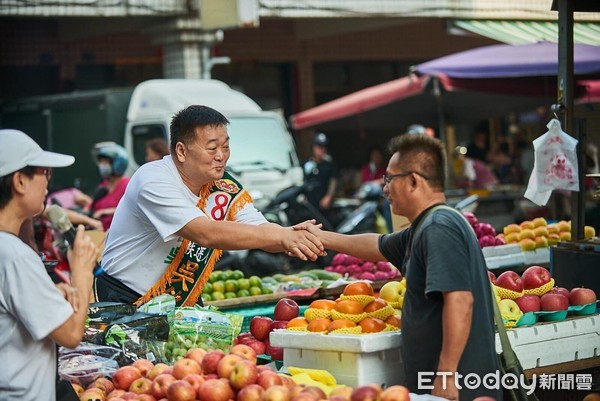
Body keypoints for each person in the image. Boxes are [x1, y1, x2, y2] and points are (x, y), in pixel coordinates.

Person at [297, 134, 501, 400]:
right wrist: (319, 236)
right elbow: (377, 245)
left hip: (459, 388)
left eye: (389, 180)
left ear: (414, 180)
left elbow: (460, 301)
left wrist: (447, 373)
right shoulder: (425, 226)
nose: (384, 189)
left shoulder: (438, 227)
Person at [95, 105, 325, 307]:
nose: (222, 156)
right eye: (212, 148)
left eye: (225, 147)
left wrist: (287, 235)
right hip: (125, 298)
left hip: (175, 303)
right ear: (182, 151)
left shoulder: (222, 186)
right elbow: (204, 233)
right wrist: (283, 236)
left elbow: (263, 231)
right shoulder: (153, 179)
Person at [0, 129, 100, 400]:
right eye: (44, 173)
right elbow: (70, 334)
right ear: (20, 181)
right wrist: (81, 271)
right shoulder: (14, 255)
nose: (47, 182)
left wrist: (51, 295)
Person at [90, 141, 131, 231]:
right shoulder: (104, 185)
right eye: (101, 162)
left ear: (118, 163)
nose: (101, 165)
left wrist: (106, 211)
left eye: (105, 162)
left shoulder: (127, 185)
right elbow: (91, 206)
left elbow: (133, 209)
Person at [303, 132, 338, 218]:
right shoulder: (307, 164)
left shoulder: (329, 165)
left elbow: (333, 181)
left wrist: (328, 196)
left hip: (323, 202)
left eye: (323, 147)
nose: (321, 150)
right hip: (310, 203)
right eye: (318, 147)